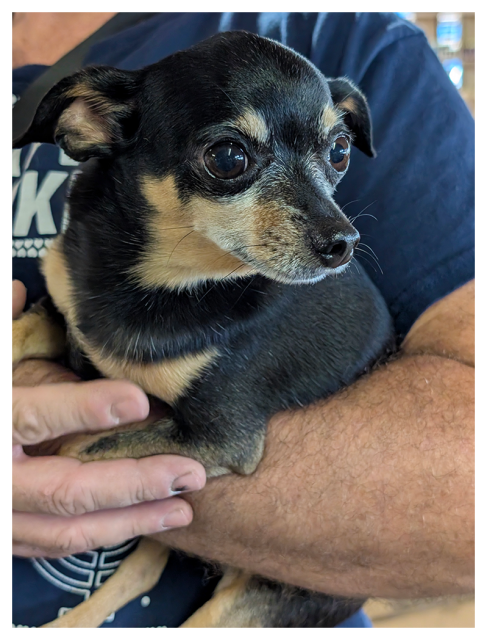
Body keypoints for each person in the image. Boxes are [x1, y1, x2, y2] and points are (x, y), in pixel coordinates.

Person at [12, 12, 474, 628]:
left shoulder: (353, 37)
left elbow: (469, 489)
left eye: (335, 152)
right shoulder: (93, 169)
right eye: (231, 158)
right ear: (92, 120)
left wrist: (51, 442)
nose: (332, 229)